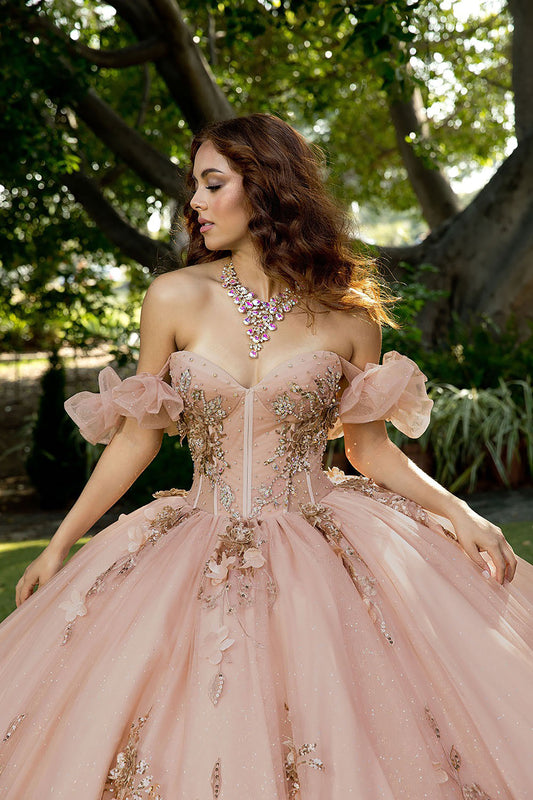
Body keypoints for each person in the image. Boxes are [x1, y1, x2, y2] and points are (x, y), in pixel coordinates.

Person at [0, 113, 532, 799]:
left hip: (323, 544)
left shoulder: (349, 314)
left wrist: (458, 512)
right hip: (191, 536)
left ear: (265, 186)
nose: (193, 202)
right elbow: (137, 437)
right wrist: (60, 543)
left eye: (211, 183)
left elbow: (369, 451)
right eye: (194, 184)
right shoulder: (173, 297)